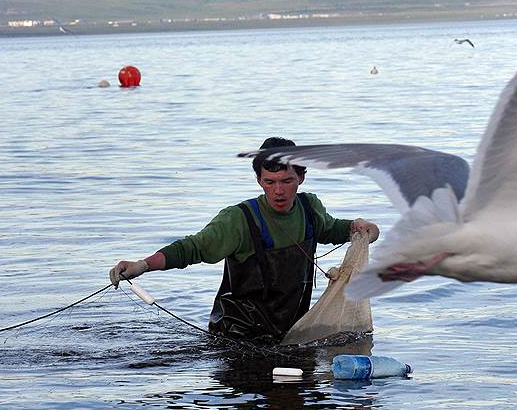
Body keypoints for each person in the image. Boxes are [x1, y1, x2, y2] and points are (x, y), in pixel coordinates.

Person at [109, 137, 379, 341]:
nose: (278, 191)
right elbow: (190, 248)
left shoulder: (310, 209)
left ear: (301, 177)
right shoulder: (238, 220)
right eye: (269, 182)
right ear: (259, 180)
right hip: (237, 335)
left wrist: (361, 230)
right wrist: (142, 265)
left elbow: (333, 229)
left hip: (290, 332)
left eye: (286, 181)